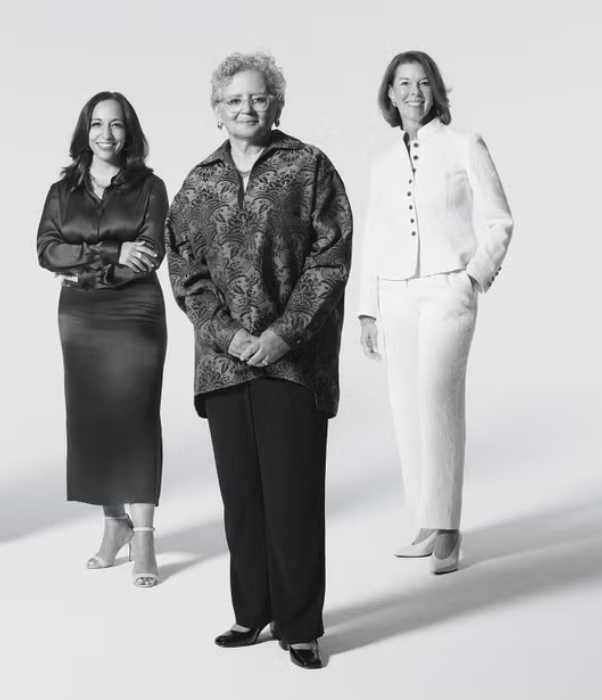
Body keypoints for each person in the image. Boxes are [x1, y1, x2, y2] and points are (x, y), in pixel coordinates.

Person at [166, 52, 352, 668]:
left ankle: (300, 624)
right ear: (216, 110)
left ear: (276, 102)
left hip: (292, 362)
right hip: (223, 366)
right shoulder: (196, 183)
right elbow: (185, 272)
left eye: (259, 98)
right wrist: (225, 336)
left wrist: (281, 335)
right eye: (233, 100)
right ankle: (253, 613)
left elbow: (330, 261)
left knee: (292, 495)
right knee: (242, 497)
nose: (247, 109)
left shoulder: (309, 167)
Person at [357, 51, 513, 575]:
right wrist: (368, 310)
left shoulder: (464, 145)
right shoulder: (381, 163)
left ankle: (448, 528)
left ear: (435, 91)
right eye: (403, 84)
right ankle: (425, 520)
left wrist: (472, 277)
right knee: (405, 406)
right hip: (396, 292)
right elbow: (374, 238)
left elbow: (500, 220)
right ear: (390, 93)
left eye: (423, 83)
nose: (413, 92)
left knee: (437, 400)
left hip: (448, 288)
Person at [37, 91, 168, 588]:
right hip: (80, 317)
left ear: (129, 132)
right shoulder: (61, 189)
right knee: (94, 420)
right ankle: (115, 525)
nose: (106, 135)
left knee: (135, 418)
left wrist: (87, 262)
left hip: (136, 311)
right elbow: (47, 249)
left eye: (116, 125)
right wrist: (113, 251)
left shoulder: (150, 186)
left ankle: (147, 534)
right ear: (84, 131)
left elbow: (149, 253)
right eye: (97, 124)